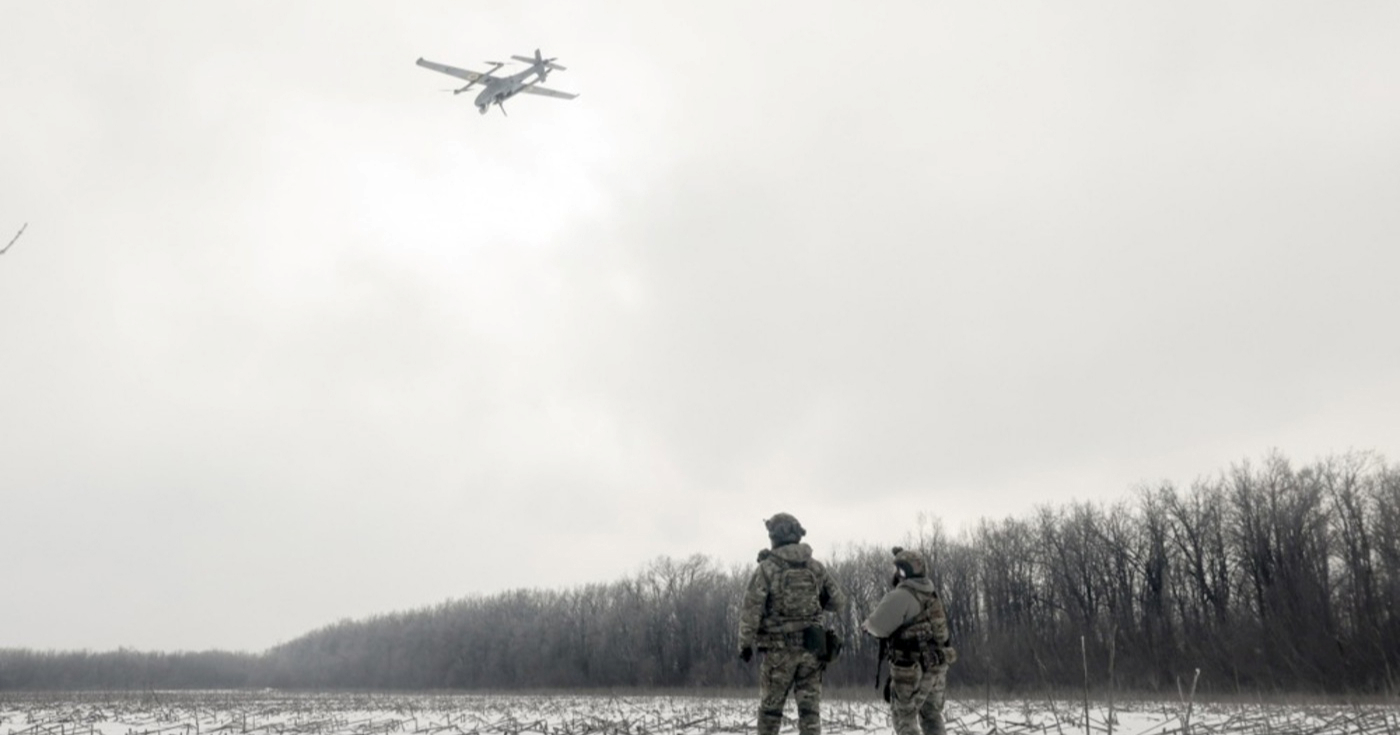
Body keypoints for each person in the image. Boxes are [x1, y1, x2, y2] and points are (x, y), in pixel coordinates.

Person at [738, 512, 848, 735]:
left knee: (770, 714)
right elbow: (839, 602)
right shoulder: (815, 567)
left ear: (774, 536)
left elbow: (751, 609)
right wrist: (816, 600)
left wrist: (745, 644)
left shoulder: (767, 568)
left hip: (779, 652)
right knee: (810, 714)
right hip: (812, 650)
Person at [862, 547, 957, 735]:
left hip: (911, 667)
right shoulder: (931, 595)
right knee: (932, 716)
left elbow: (876, 626)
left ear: (903, 571)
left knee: (904, 718)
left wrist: (865, 626)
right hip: (938, 665)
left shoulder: (903, 595)